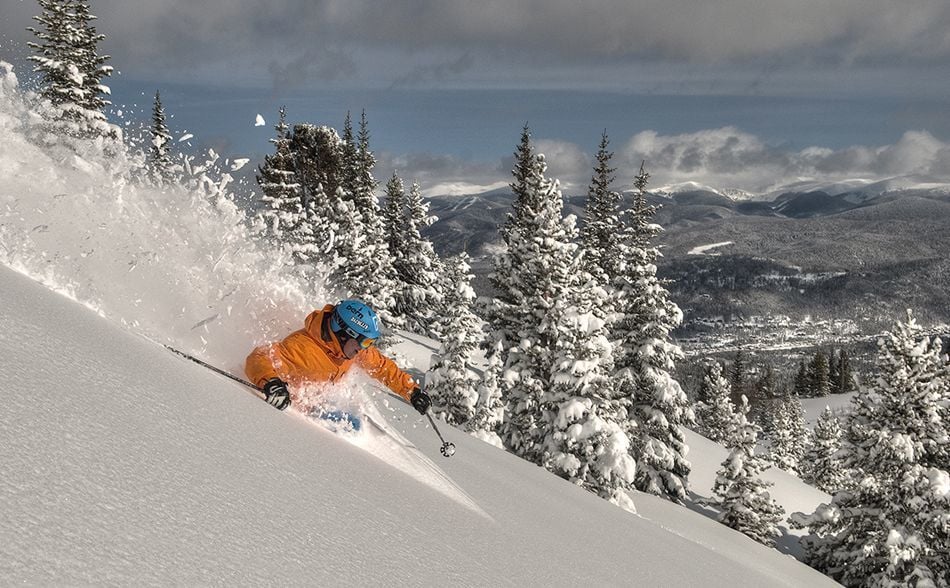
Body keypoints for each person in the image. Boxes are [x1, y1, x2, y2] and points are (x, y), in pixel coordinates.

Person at [245, 299, 431, 415]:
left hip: (319, 411)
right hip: (291, 414)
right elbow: (259, 357)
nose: (364, 349)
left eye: (369, 343)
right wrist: (270, 382)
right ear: (344, 333)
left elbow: (383, 367)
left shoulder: (350, 350)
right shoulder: (301, 347)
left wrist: (412, 392)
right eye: (364, 342)